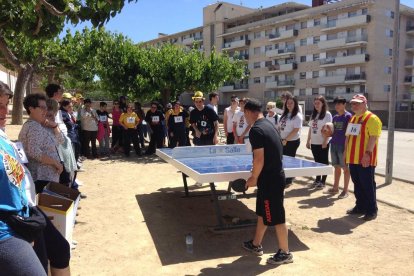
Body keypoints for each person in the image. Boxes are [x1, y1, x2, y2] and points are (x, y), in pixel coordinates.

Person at [0, 81, 47, 276]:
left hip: (20, 222)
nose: (4, 112)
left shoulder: (4, 138)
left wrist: (25, 224)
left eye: (6, 105)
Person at [242, 98, 293, 265]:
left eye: (244, 114)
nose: (245, 117)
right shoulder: (269, 124)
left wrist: (253, 177)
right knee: (263, 213)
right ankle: (256, 244)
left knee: (277, 216)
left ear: (249, 112)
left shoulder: (256, 130)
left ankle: (285, 253)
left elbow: (259, 160)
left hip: (270, 180)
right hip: (272, 177)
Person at [345, 94, 382, 221]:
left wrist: (367, 154)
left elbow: (373, 137)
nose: (354, 105)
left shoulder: (372, 118)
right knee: (357, 184)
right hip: (353, 158)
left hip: (365, 159)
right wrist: (346, 153)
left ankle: (372, 210)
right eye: (353, 103)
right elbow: (348, 137)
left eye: (357, 103)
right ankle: (360, 206)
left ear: (365, 104)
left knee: (368, 184)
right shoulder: (353, 118)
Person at [19, 93, 64, 194]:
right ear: (31, 109)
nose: (45, 111)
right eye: (42, 108)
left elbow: (61, 141)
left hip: (45, 177)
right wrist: (56, 163)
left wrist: (55, 126)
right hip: (41, 177)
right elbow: (34, 152)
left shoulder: (36, 125)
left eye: (46, 108)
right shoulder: (34, 126)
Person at [327, 97, 352, 199]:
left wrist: (346, 148)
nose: (337, 106)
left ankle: (345, 190)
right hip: (334, 144)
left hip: (343, 146)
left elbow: (349, 134)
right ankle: (335, 187)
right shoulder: (335, 117)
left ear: (344, 104)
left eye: (339, 104)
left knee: (345, 168)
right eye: (335, 104)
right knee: (336, 167)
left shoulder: (348, 116)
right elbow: (332, 132)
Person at [306, 96, 332, 189]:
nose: (316, 105)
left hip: (323, 142)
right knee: (316, 162)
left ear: (323, 104)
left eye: (318, 103)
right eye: (315, 103)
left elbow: (329, 129)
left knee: (324, 162)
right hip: (314, 142)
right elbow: (310, 128)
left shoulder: (327, 114)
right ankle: (317, 179)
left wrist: (325, 141)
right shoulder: (314, 114)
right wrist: (308, 140)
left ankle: (323, 181)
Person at [278, 96, 303, 188]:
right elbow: (280, 127)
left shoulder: (297, 116)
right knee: (283, 160)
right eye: (287, 103)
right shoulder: (285, 114)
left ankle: (288, 180)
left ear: (295, 104)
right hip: (282, 140)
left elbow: (296, 130)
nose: (289, 104)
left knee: (289, 161)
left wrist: (286, 140)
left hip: (291, 141)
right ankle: (284, 177)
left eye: (291, 103)